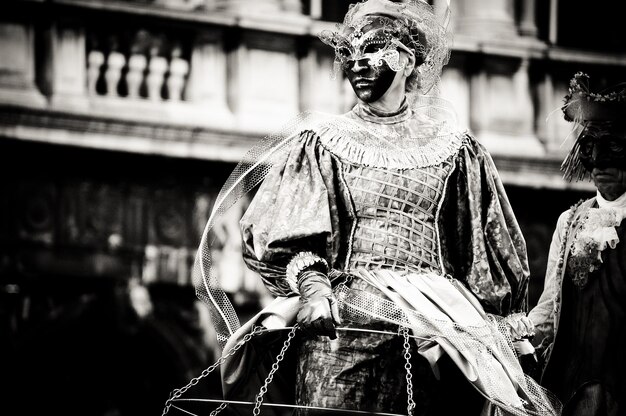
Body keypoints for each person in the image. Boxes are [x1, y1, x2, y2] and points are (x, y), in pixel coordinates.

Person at [165, 1, 560, 416]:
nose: (356, 64)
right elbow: (290, 232)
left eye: (371, 51)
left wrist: (493, 329)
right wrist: (315, 289)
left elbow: (481, 253)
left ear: (407, 61)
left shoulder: (457, 151)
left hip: (437, 319)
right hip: (346, 316)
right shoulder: (323, 142)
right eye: (349, 54)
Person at [528, 72, 626, 415]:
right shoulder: (568, 222)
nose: (600, 163)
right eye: (590, 148)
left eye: (613, 148)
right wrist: (515, 332)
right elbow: (551, 305)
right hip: (570, 389)